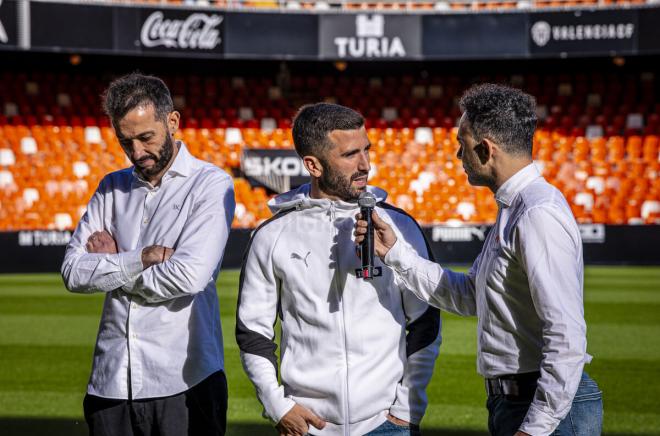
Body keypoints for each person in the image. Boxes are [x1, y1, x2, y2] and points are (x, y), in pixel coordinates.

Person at [355, 84, 603, 436]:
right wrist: (396, 254)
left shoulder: (536, 212)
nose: (458, 156)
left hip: (541, 408)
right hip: (518, 402)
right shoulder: (514, 208)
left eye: (462, 145)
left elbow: (565, 332)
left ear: (486, 149)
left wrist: (536, 427)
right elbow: (472, 295)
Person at [236, 103, 441, 436]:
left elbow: (425, 320)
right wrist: (277, 405)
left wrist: (408, 407)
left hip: (388, 425)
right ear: (313, 165)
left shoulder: (399, 226)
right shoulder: (272, 235)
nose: (365, 165)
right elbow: (253, 333)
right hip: (308, 427)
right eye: (350, 155)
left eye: (366, 150)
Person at [61, 73, 235, 436]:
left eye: (146, 137)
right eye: (126, 142)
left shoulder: (211, 183)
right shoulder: (111, 186)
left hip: (185, 380)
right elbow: (73, 273)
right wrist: (140, 258)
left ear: (172, 122)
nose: (137, 152)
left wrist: (113, 264)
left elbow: (189, 277)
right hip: (110, 382)